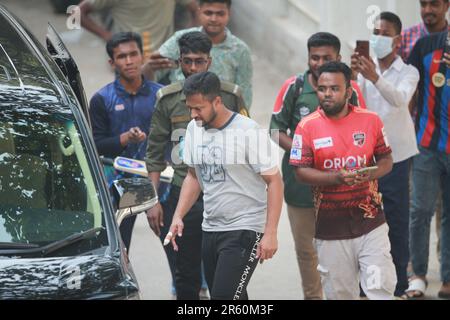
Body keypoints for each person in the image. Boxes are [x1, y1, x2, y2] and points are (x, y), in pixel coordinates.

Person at [145, 31, 248, 300]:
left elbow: (246, 149)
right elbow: (155, 152)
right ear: (178, 61)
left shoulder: (230, 96)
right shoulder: (167, 99)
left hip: (226, 195)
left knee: (227, 279)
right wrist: (153, 200)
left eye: (199, 61)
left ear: (209, 62)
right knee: (185, 275)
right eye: (187, 61)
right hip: (184, 194)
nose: (192, 68)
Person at [163, 71, 283, 300]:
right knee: (233, 296)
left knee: (223, 298)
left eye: (199, 108)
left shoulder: (248, 131)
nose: (193, 114)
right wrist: (178, 215)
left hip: (245, 229)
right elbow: (193, 176)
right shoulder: (192, 129)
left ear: (217, 101)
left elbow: (274, 181)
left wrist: (271, 232)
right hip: (211, 228)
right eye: (190, 108)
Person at [270, 32, 366, 300]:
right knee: (307, 251)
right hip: (301, 186)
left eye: (327, 57)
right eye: (315, 57)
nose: (320, 62)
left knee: (345, 248)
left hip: (343, 185)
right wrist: (305, 151)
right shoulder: (294, 87)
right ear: (308, 57)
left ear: (339, 58)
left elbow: (364, 131)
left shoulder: (352, 91)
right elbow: (275, 130)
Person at [290, 61, 397, 300]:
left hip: (371, 223)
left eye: (334, 89)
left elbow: (386, 160)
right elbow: (300, 171)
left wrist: (371, 173)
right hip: (331, 228)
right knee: (341, 295)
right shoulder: (306, 127)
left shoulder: (371, 120)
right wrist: (336, 177)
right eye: (322, 88)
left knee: (380, 290)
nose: (327, 94)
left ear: (349, 92)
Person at [351, 12, 420, 299]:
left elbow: (400, 100)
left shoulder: (408, 71)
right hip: (363, 157)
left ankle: (399, 284)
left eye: (384, 32)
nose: (378, 37)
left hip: (397, 157)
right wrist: (355, 75)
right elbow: (352, 100)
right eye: (375, 31)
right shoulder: (362, 70)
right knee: (363, 221)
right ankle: (365, 285)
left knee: (395, 220)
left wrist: (373, 77)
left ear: (397, 38)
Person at [89, 32, 162, 252]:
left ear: (142, 56)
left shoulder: (161, 95)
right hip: (118, 185)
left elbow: (172, 138)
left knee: (178, 248)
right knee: (119, 252)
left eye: (133, 54)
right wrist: (125, 139)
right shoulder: (102, 99)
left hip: (159, 181)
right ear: (112, 62)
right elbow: (95, 145)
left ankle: (190, 288)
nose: (129, 61)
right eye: (122, 57)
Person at [406, 28, 450, 299]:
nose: (428, 8)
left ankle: (448, 278)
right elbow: (408, 90)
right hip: (427, 145)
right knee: (420, 211)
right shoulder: (425, 46)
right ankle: (418, 275)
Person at [145, 0, 253, 108]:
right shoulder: (180, 39)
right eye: (208, 13)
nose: (213, 19)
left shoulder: (240, 50)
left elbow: (244, 96)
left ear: (229, 13)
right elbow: (151, 74)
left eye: (220, 14)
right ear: (199, 11)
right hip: (179, 114)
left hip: (221, 118)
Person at [78, 0, 198, 52]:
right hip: (129, 60)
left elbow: (198, 11)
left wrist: (183, 39)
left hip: (164, 60)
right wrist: (107, 36)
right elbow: (77, 13)